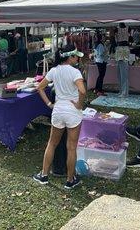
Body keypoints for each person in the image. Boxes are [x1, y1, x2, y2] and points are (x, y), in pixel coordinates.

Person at [33, 45, 86, 190]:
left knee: (52, 143)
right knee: (71, 147)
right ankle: (70, 180)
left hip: (58, 110)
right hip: (72, 112)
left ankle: (44, 175)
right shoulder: (75, 72)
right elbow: (82, 90)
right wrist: (79, 105)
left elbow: (39, 88)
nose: (77, 58)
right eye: (76, 56)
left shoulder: (54, 70)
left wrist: (50, 104)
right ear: (70, 57)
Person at [115, 23, 130, 97]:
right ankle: (121, 91)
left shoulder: (126, 30)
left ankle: (124, 92)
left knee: (123, 75)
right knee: (120, 75)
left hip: (123, 52)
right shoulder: (119, 31)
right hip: (120, 52)